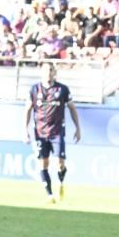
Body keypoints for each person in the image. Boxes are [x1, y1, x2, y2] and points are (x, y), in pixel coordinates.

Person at [26, 62, 80, 205]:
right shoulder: (34, 89)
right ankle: (50, 195)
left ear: (54, 72)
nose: (48, 72)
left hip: (57, 133)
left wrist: (78, 128)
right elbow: (27, 110)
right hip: (40, 132)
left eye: (50, 70)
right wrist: (24, 130)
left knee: (59, 164)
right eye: (45, 70)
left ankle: (61, 182)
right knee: (43, 163)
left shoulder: (62, 89)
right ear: (41, 72)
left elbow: (72, 109)